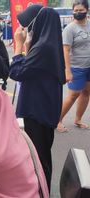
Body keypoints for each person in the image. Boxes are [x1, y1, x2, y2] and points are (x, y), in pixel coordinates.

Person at [9, 5, 66, 190]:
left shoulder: (43, 48)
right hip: (44, 108)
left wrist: (18, 45)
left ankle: (41, 192)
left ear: (38, 23)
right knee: (41, 156)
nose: (24, 30)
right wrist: (27, 47)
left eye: (26, 26)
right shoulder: (48, 45)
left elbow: (17, 72)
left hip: (38, 111)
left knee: (38, 160)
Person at [57, 0, 90, 132]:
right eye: (75, 11)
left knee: (86, 93)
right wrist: (67, 70)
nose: (77, 13)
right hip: (76, 67)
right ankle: (57, 120)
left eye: (80, 10)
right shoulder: (70, 29)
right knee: (73, 95)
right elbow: (65, 50)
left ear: (87, 10)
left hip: (89, 66)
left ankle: (78, 119)